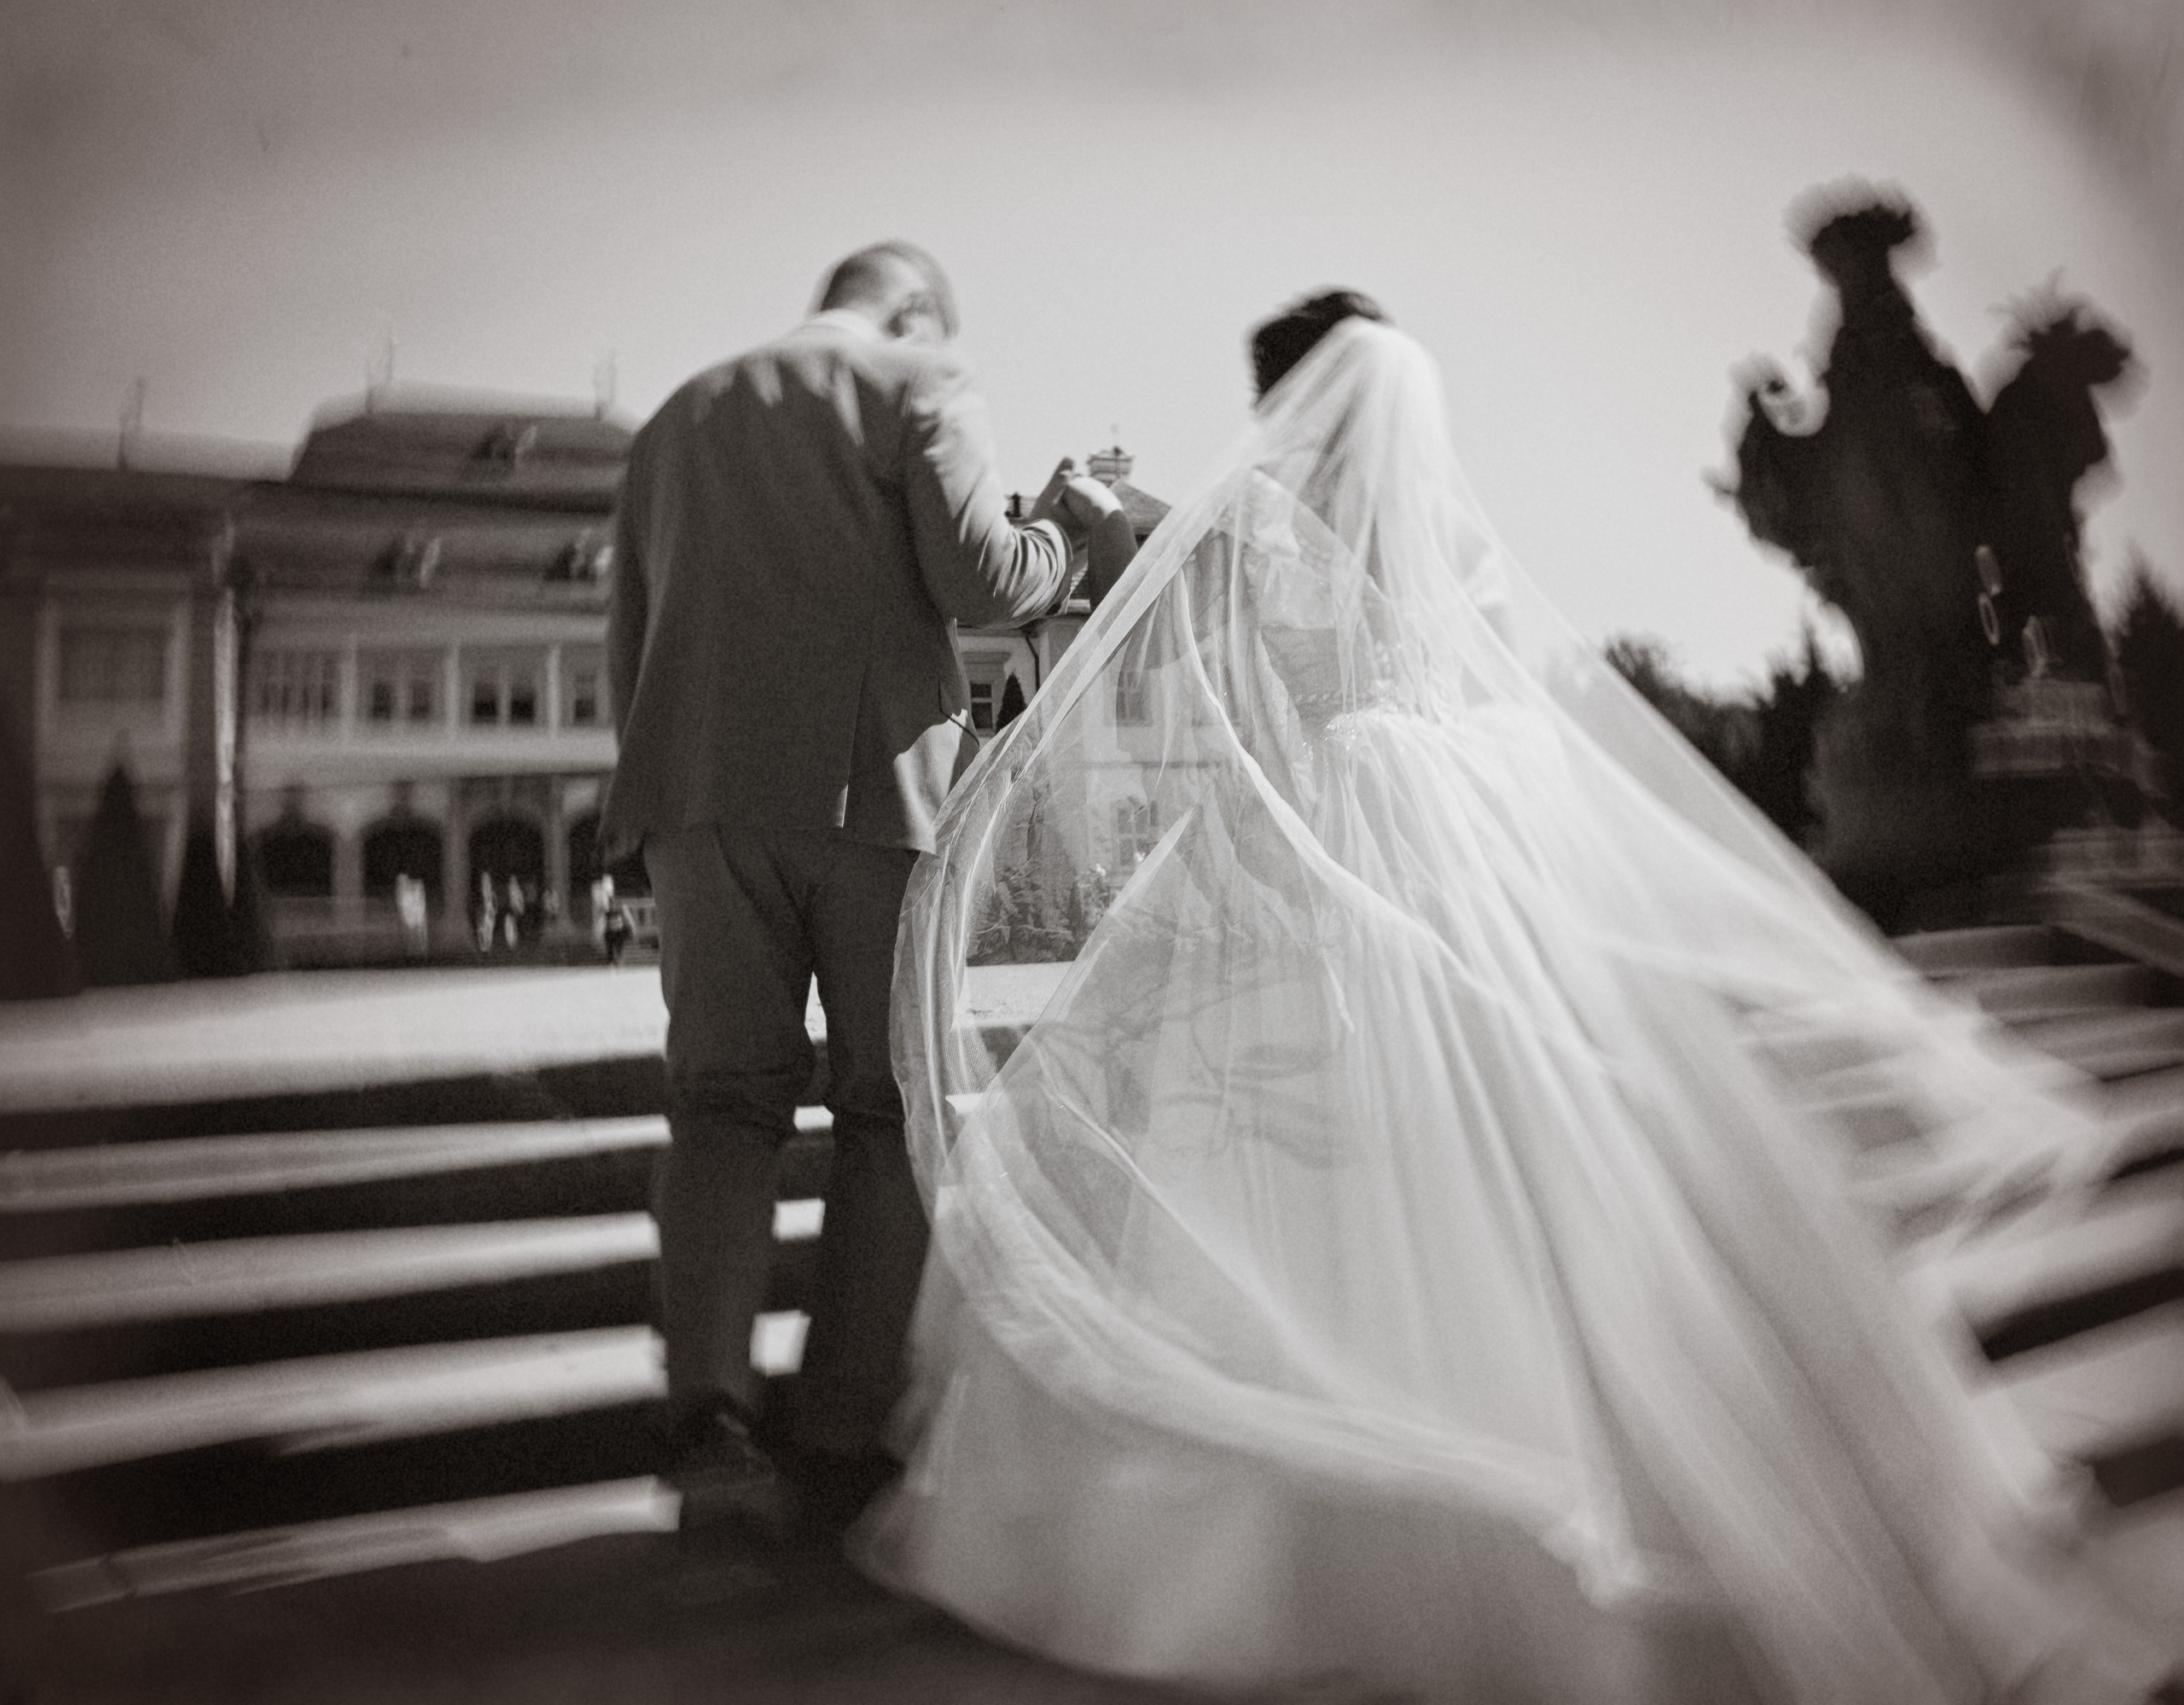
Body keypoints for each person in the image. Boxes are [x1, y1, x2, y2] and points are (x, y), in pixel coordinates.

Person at [859, 294, 2177, 1702]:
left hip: (1322, 847)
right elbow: (1472, 685)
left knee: (1268, 1170)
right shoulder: (1453, 542)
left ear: (1290, 395)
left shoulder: (1251, 526)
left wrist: (1113, 539)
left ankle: (1308, 1519)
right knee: (1489, 1167)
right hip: (1453, 832)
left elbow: (1191, 679)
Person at [599, 240, 1132, 1538]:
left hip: (698, 802)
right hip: (870, 798)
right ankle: (840, 1425)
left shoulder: (673, 418)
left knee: (719, 1107)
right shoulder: (924, 379)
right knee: (888, 1111)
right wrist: (1070, 527)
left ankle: (707, 1411)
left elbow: (632, 630)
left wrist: (646, 816)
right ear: (918, 314)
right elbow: (979, 578)